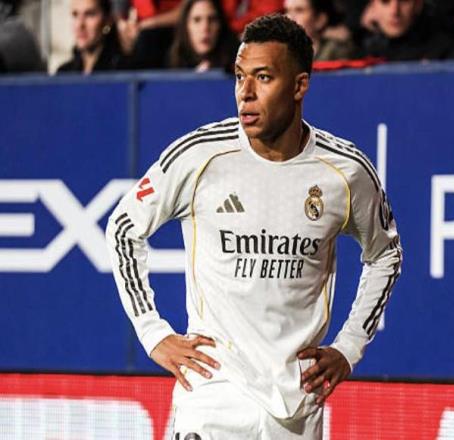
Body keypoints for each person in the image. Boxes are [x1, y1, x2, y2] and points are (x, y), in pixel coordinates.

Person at [107, 13, 402, 439]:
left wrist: (349, 346)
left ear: (299, 86)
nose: (245, 93)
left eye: (263, 78)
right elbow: (123, 228)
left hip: (296, 406)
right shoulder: (199, 156)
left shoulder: (345, 171)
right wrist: (153, 333)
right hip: (212, 395)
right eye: (239, 77)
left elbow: (386, 255)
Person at [360, 0, 454, 61]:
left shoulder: (443, 53)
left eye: (403, 1)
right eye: (385, 1)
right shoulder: (361, 55)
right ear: (372, 7)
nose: (394, 12)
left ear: (418, 4)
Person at [57, 0, 129, 74]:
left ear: (108, 20)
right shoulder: (63, 73)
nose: (80, 24)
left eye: (90, 14)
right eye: (75, 15)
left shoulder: (123, 70)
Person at [168, 0, 239, 71]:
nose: (205, 27)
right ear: (185, 25)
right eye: (197, 20)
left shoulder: (239, 59)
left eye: (212, 19)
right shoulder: (171, 61)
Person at [284, 0, 358, 60]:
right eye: (287, 11)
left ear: (320, 20)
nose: (289, 17)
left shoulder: (338, 52)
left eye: (299, 11)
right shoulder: (280, 52)